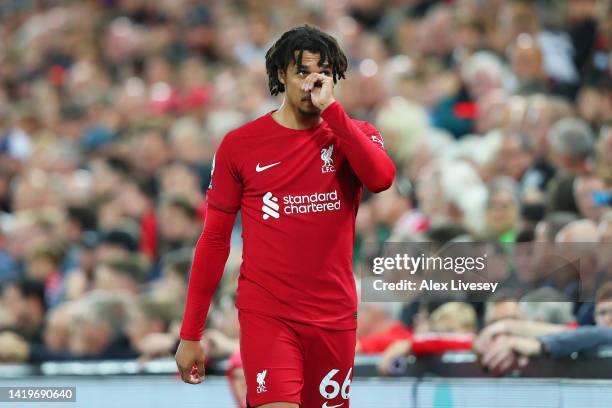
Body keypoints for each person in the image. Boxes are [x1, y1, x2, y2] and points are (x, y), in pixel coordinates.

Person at [175, 25, 395, 408]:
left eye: (323, 72)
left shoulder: (354, 135)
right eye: (303, 71)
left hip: (334, 315)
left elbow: (381, 179)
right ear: (281, 75)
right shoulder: (240, 145)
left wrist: (334, 116)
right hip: (268, 313)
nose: (314, 81)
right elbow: (213, 239)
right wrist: (191, 333)